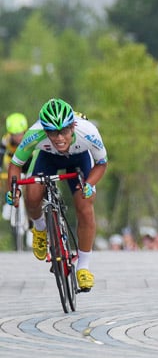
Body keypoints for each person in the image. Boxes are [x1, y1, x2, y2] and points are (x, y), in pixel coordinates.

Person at [5, 98, 108, 291]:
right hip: (47, 159)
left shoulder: (88, 132)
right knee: (33, 195)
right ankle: (40, 227)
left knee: (85, 206)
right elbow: (16, 164)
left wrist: (89, 183)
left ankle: (83, 267)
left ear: (73, 126)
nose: (59, 138)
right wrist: (14, 189)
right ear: (44, 130)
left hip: (79, 160)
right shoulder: (34, 133)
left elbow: (102, 163)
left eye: (64, 131)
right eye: (52, 132)